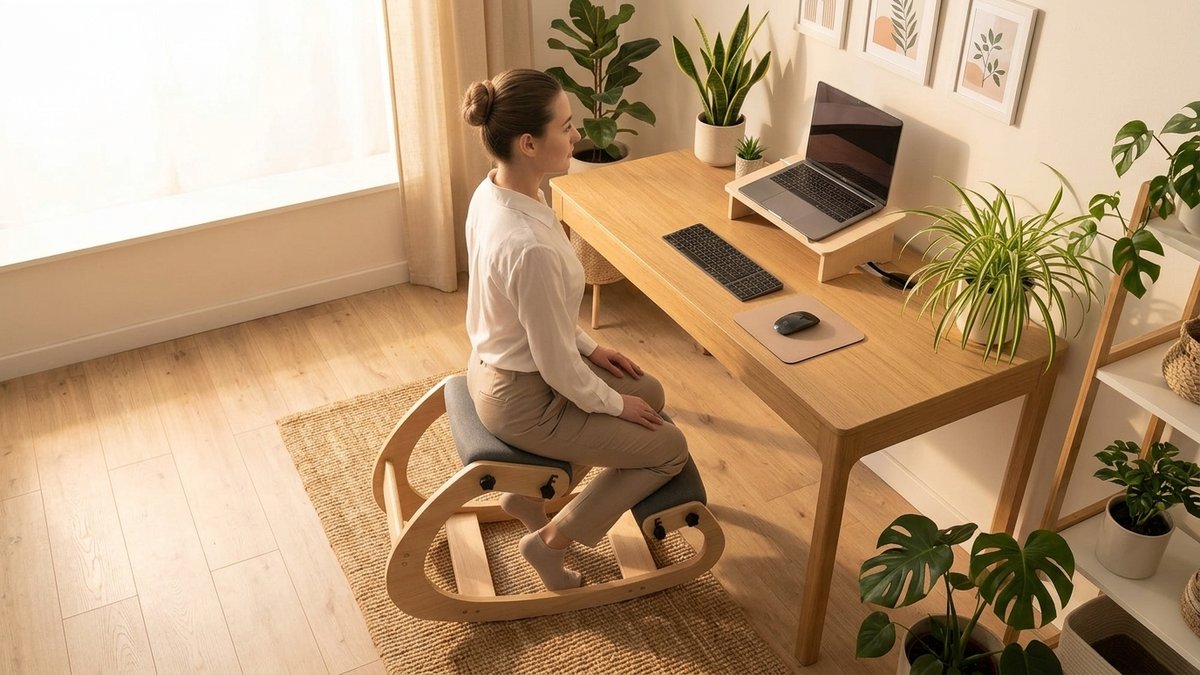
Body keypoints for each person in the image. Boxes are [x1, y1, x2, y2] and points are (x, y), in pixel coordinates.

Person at [460, 69, 690, 591]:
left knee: (648, 391)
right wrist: (612, 403)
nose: (576, 136)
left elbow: (534, 317)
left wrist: (593, 346)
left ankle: (530, 498)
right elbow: (557, 366)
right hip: (522, 397)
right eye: (565, 127)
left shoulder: (498, 191)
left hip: (496, 367)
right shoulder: (530, 245)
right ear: (528, 143)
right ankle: (549, 542)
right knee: (668, 448)